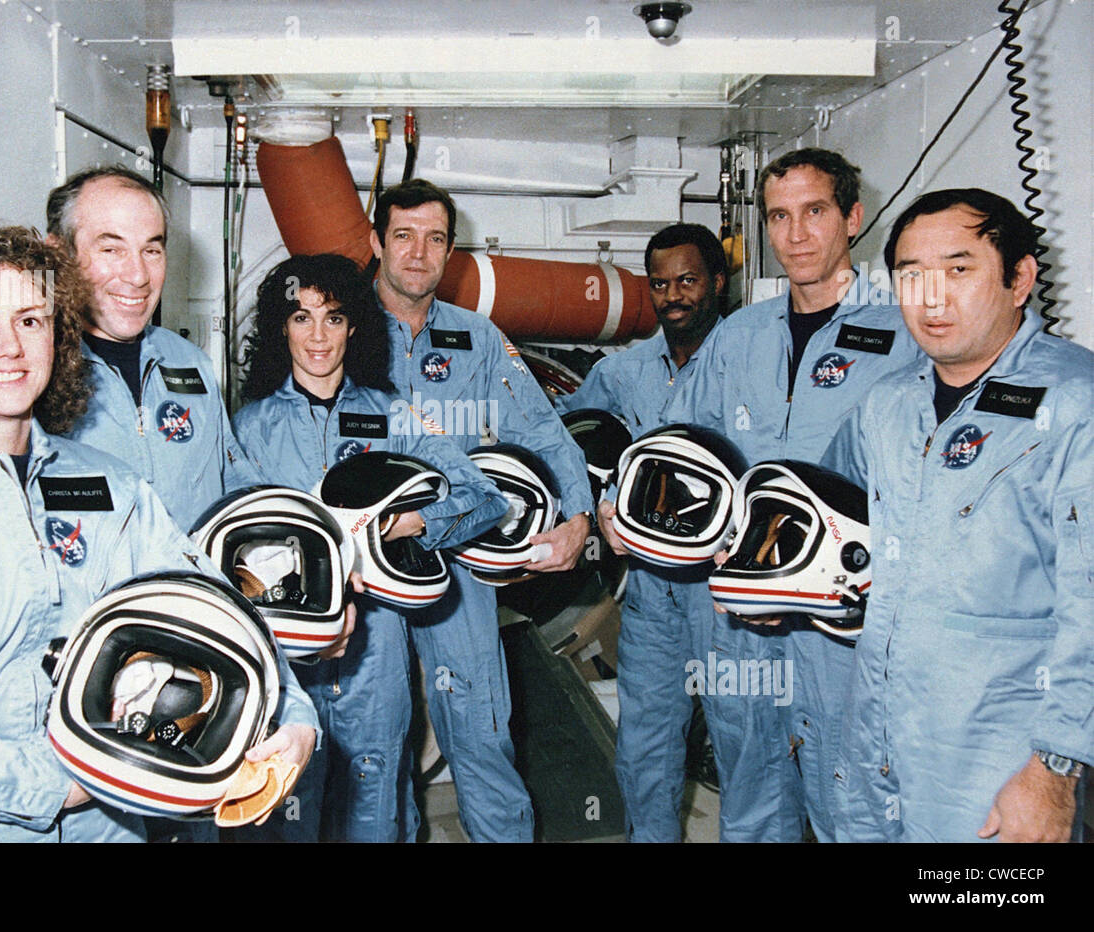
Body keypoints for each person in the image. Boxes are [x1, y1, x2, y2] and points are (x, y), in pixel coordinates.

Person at [0, 222, 315, 842]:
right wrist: (62, 783)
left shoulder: (111, 488)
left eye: (31, 321)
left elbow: (209, 608)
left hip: (107, 825)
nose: (10, 346)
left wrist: (290, 715)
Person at [664, 148, 923, 841]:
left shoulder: (907, 337)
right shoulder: (738, 337)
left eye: (815, 212)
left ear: (853, 219)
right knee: (750, 801)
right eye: (779, 216)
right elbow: (688, 449)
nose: (796, 234)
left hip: (843, 626)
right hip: (742, 616)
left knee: (854, 807)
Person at [824, 188, 1093, 842]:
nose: (931, 297)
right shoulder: (886, 406)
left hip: (999, 759)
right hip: (875, 739)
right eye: (911, 276)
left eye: (959, 269)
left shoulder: (1075, 404)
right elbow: (827, 506)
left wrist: (1055, 768)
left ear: (1021, 277)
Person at [231, 253, 506, 842]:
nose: (318, 337)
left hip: (376, 651)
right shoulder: (250, 426)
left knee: (378, 809)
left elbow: (484, 497)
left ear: (354, 324)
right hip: (284, 654)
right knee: (283, 809)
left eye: (332, 318)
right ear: (282, 327)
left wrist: (407, 523)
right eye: (301, 319)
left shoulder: (392, 417)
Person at [371, 179, 595, 842]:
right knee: (372, 756)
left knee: (482, 736)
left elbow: (542, 429)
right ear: (375, 240)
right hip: (368, 568)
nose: (418, 253)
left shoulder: (476, 338)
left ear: (450, 251)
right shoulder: (340, 331)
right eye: (403, 235)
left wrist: (578, 516)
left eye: (435, 238)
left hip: (457, 564)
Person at [560, 223, 780, 842]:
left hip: (729, 593)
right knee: (643, 747)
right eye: (660, 284)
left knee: (748, 749)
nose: (673, 295)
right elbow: (573, 435)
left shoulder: (756, 365)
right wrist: (600, 504)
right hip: (653, 594)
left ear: (717, 281)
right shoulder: (625, 372)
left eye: (687, 280)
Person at [46, 166, 261, 532]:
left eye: (151, 249)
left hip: (195, 586)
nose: (138, 276)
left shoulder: (189, 361)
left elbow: (234, 480)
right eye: (111, 248)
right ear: (58, 254)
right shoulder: (34, 372)